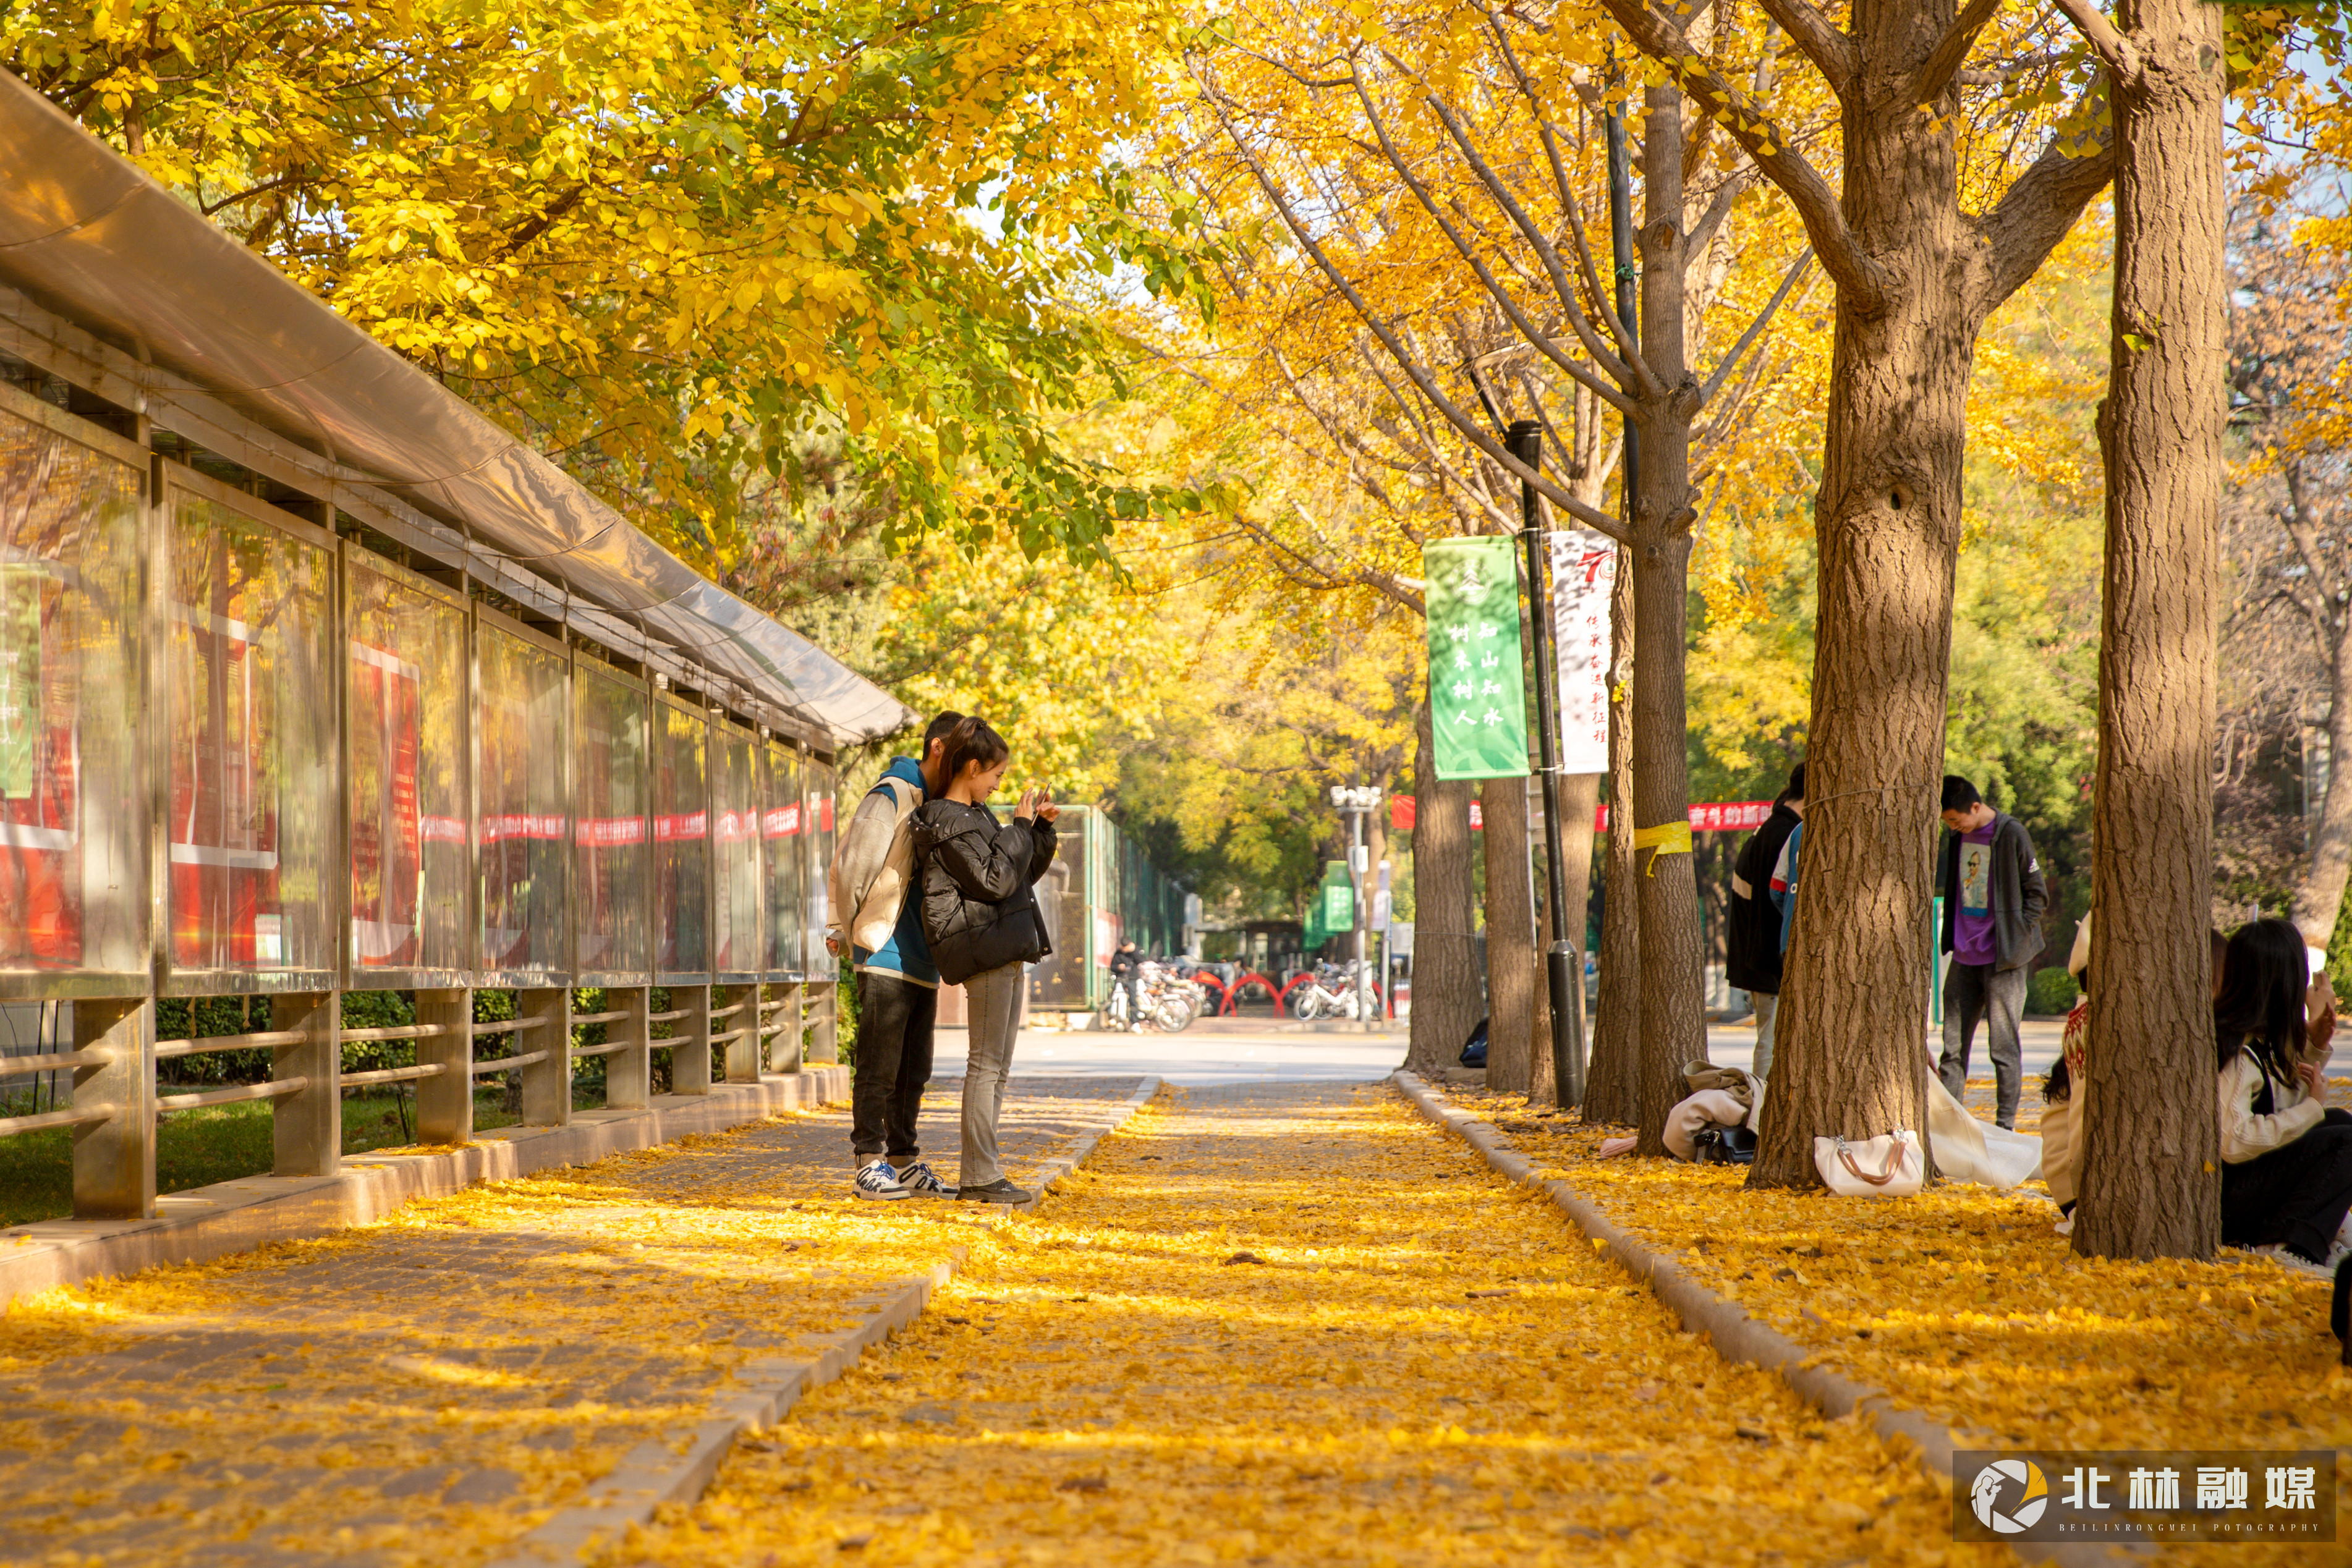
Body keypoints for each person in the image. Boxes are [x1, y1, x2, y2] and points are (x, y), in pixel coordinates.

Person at [911, 718, 1059, 1204]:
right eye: (994, 773)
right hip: (985, 949)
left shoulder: (975, 813)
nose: (998, 783)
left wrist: (1038, 831)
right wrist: (1017, 827)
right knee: (986, 1065)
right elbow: (994, 880)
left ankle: (985, 1169)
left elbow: (1016, 875)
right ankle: (978, 1174)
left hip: (1005, 944)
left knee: (997, 1067)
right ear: (971, 767)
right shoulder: (946, 818)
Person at [826, 710, 963, 1201]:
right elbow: (852, 863)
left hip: (923, 958)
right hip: (885, 948)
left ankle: (904, 1160)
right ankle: (869, 1158)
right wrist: (846, 929)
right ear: (939, 750)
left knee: (914, 1068)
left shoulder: (939, 803)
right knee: (879, 1063)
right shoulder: (893, 792)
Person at [2217, 917, 2352, 1274]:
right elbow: (2234, 1140)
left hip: (2246, 1186)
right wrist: (2311, 1107)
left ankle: (2310, 1236)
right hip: (2228, 1202)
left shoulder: (2257, 1040)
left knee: (2339, 1123)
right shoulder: (2239, 1053)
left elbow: (2281, 1112)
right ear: (2283, 984)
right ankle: (2292, 1244)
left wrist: (2315, 1045)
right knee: (2344, 1139)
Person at [1935, 775, 2047, 1130]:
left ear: (1976, 807)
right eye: (1949, 823)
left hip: (2004, 960)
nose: (1954, 827)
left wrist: (2014, 937)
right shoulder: (1957, 837)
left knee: (2003, 1048)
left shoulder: (2010, 833)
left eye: (1957, 820)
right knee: (1952, 1048)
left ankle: (2005, 1127)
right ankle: (1949, 1127)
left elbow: (2037, 895)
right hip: (1964, 958)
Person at [1727, 763, 1804, 1082]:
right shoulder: (1788, 834)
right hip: (1773, 959)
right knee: (1771, 1044)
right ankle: (1762, 1116)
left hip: (1761, 956)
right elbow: (1776, 897)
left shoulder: (1767, 829)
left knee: (1771, 1041)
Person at [1108, 939, 1144, 1032]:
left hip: (1132, 979)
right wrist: (1118, 967)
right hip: (1121, 978)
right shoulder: (1118, 953)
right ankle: (1119, 1020)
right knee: (1118, 999)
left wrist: (1134, 950)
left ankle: (1135, 1022)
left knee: (1133, 1000)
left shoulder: (1135, 952)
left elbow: (1141, 960)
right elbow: (1112, 966)